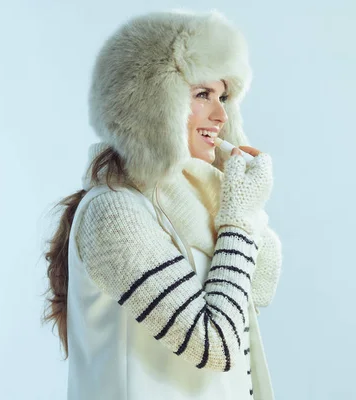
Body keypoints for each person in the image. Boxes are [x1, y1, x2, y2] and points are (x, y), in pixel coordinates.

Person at [42, 9, 283, 400]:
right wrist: (238, 219)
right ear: (152, 103)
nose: (221, 115)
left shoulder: (198, 207)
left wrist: (238, 198)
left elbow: (259, 289)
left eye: (224, 97)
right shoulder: (114, 212)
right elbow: (214, 345)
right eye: (203, 94)